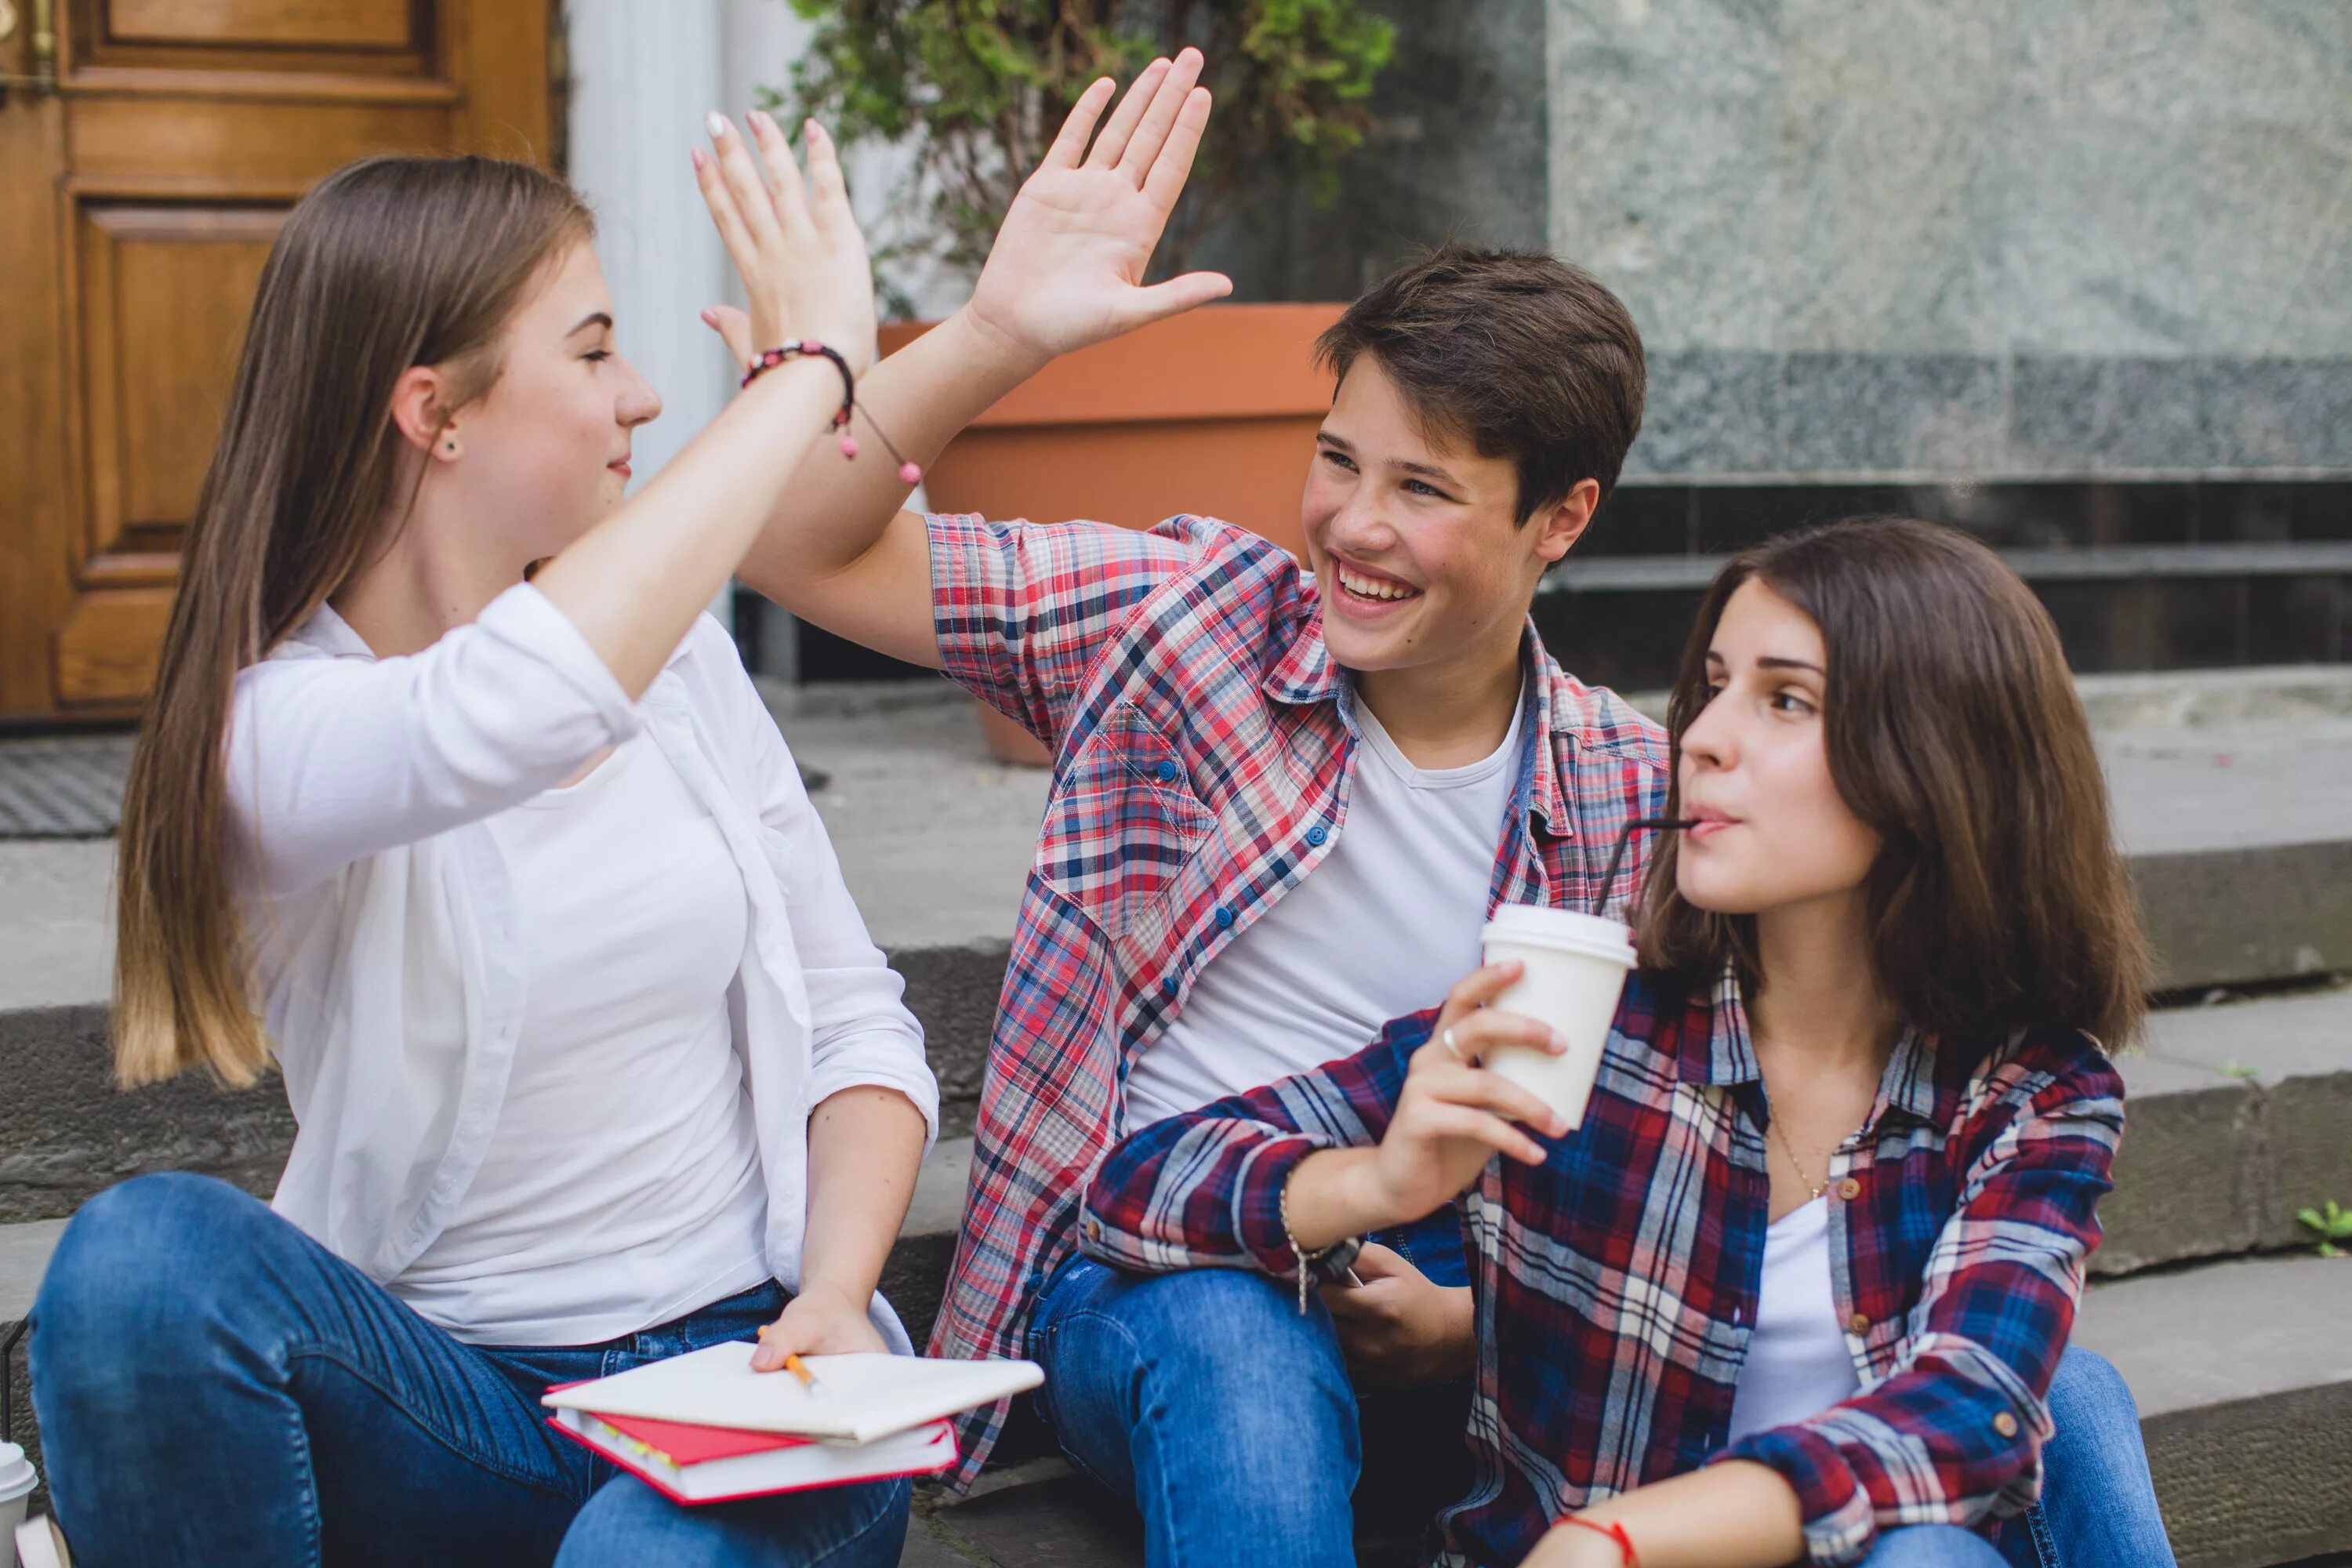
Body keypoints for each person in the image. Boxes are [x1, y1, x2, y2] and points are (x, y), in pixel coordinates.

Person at [710, 47, 2169, 1568]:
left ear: (1563, 519)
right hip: (1182, 1255)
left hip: (1470, 1277)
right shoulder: (1185, 613)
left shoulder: (1626, 786)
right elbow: (802, 555)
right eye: (1337, 461)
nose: (1352, 522)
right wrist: (997, 336)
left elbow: (1643, 1181)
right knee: (1240, 1362)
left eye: (1422, 488)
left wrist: (1473, 1312)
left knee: (2068, 1393)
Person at [31, 118, 937, 1567]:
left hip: (753, 1379)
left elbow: (852, 1022)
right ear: (433, 412)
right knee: (140, 1267)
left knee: (636, 1560)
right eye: (592, 351)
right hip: (456, 1403)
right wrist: (809, 368)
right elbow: (498, 712)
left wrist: (835, 1294)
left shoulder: (686, 673)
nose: (640, 394)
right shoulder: (270, 736)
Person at [1081, 517, 2177, 1567]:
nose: (1701, 737)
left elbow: (1959, 1415)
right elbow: (1131, 1190)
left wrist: (1624, 1538)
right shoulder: (1585, 1019)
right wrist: (1375, 1180)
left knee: (1979, 1496)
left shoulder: (2034, 1093)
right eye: (1710, 688)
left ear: (1941, 763)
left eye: (1785, 700)